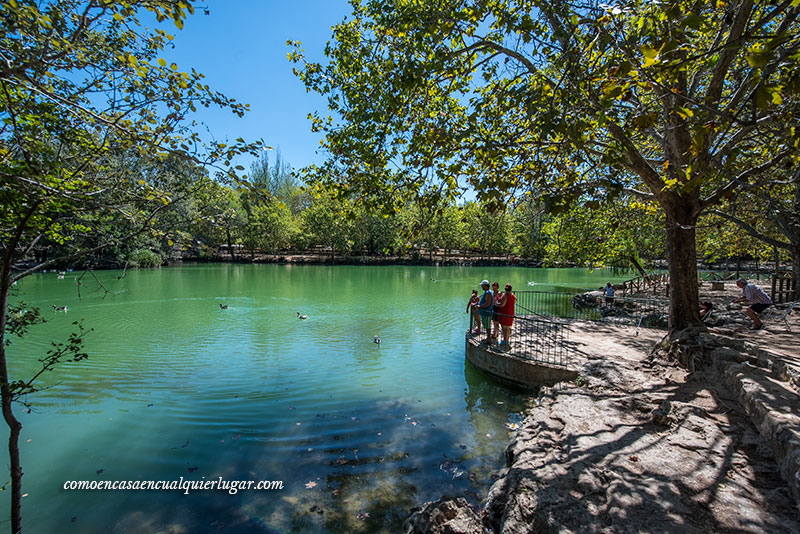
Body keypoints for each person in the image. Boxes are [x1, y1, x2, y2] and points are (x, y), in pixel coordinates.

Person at [475, 280, 494, 344]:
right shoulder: (487, 292)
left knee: (487, 326)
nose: (482, 287)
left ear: (486, 286)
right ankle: (488, 338)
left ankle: (489, 339)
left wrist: (479, 306)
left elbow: (487, 304)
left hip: (486, 312)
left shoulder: (488, 293)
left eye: (482, 286)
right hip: (485, 312)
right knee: (486, 326)